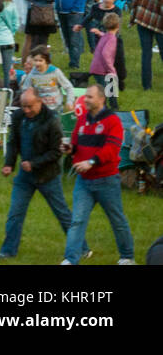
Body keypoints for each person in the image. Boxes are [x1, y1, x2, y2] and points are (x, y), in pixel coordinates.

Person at [0, 89, 73, 261]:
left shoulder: (52, 120)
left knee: (62, 213)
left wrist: (34, 163)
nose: (26, 110)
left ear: (40, 102)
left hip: (47, 176)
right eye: (23, 106)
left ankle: (80, 247)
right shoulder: (19, 117)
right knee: (15, 213)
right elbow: (13, 142)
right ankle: (7, 251)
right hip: (25, 176)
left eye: (30, 106)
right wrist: (9, 164)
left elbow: (56, 152)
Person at [62, 84, 134, 265]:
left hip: (106, 180)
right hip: (84, 181)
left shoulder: (112, 121)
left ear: (101, 99)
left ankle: (127, 257)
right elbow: (76, 144)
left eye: (90, 97)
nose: (85, 99)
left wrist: (91, 162)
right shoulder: (82, 119)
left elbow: (111, 149)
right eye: (85, 96)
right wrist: (70, 149)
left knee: (117, 219)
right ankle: (70, 260)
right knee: (77, 221)